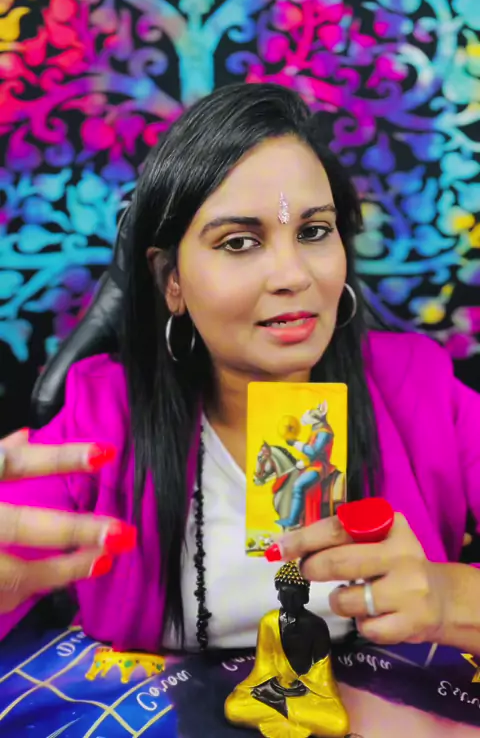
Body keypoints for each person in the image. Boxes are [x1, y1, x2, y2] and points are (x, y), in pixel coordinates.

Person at [0, 83, 479, 657]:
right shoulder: (98, 419)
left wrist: (450, 597)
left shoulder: (421, 389)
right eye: (238, 242)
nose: (293, 275)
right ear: (172, 281)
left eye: (313, 232)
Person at [225, 561, 349, 738]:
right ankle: (288, 714)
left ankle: (282, 711)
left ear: (306, 596)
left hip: (307, 693)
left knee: (338, 724)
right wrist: (272, 688)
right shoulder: (269, 622)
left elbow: (321, 672)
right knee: (234, 708)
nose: (289, 600)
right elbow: (263, 667)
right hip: (273, 689)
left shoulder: (316, 625)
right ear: (278, 594)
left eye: (295, 595)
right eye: (284, 594)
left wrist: (298, 688)